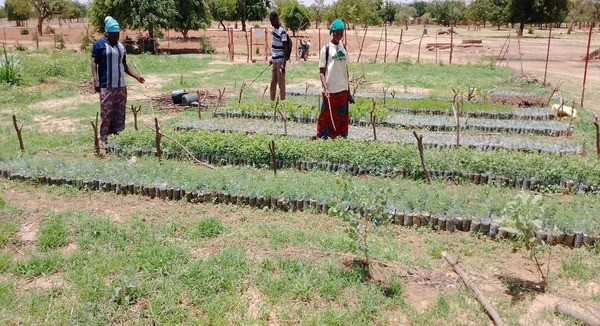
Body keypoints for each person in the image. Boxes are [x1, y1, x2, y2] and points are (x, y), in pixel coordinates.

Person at [91, 16, 145, 148]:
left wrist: (137, 77)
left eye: (117, 34)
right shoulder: (99, 45)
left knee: (119, 112)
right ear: (107, 32)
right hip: (107, 85)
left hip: (121, 85)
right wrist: (95, 80)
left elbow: (124, 66)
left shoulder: (121, 47)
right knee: (106, 112)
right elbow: (94, 62)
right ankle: (103, 139)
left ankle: (118, 136)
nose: (116, 37)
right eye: (113, 34)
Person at [318, 19, 353, 139]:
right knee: (326, 117)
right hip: (330, 90)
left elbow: (345, 69)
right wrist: (325, 87)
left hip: (342, 89)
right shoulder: (326, 49)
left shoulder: (344, 48)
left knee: (342, 117)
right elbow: (321, 71)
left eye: (341, 33)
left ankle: (341, 140)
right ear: (332, 32)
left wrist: (349, 90)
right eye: (337, 33)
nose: (339, 36)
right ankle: (323, 139)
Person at [268, 11, 288, 103]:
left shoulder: (282, 31)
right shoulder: (274, 30)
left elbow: (285, 48)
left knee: (281, 84)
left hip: (280, 62)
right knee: (273, 83)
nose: (271, 23)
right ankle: (271, 102)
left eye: (272, 21)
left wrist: (283, 64)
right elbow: (275, 46)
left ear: (276, 19)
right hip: (274, 61)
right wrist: (272, 58)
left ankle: (282, 103)